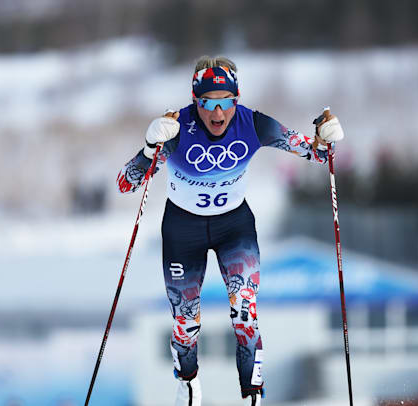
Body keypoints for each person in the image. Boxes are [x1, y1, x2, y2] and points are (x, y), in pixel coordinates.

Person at [116, 55, 344, 406]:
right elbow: (126, 184)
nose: (218, 113)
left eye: (226, 102)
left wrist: (326, 138)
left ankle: (252, 395)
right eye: (208, 102)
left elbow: (317, 154)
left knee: (245, 313)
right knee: (185, 322)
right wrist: (149, 148)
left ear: (237, 100)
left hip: (233, 227)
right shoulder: (176, 128)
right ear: (196, 101)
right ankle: (188, 383)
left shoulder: (254, 124)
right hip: (183, 230)